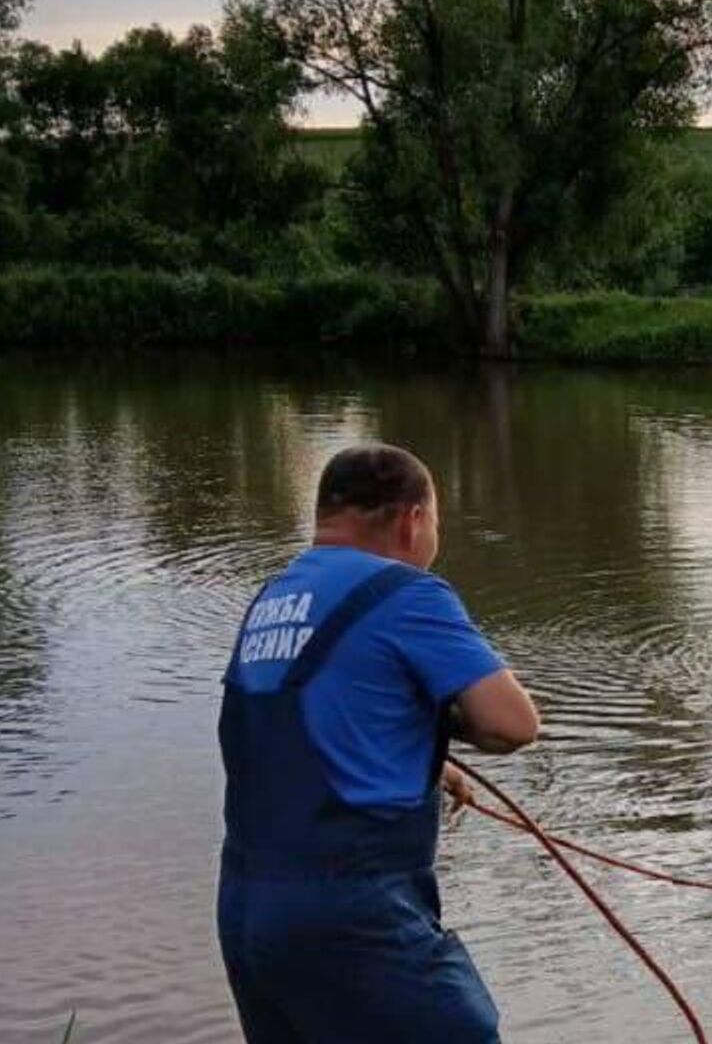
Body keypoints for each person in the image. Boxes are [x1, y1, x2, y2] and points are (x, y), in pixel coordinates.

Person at [217, 444, 541, 1044]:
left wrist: (427, 757)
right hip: (351, 912)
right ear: (412, 519)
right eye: (437, 522)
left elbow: (306, 726)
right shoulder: (407, 593)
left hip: (248, 910)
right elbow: (511, 722)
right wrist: (441, 723)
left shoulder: (273, 601)